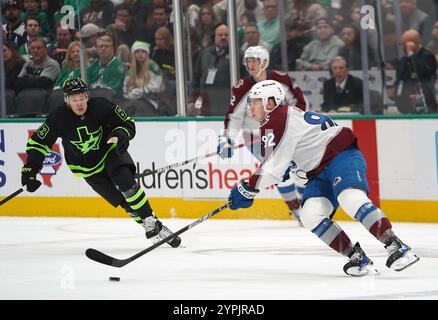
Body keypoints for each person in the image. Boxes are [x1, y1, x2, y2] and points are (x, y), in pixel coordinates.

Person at [227, 79, 420, 276]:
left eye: (255, 101)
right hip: (318, 172)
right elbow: (280, 165)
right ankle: (357, 257)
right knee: (310, 215)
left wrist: (247, 188)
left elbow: (272, 169)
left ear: (269, 103)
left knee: (350, 198)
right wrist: (286, 168)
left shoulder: (276, 117)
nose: (251, 107)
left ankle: (396, 245)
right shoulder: (276, 121)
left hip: (340, 156)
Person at [20, 78, 181, 247]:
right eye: (74, 99)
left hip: (109, 151)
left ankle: (149, 218)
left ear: (87, 96)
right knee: (125, 203)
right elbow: (38, 143)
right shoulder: (58, 118)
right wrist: (31, 168)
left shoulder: (101, 106)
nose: (79, 103)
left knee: (127, 184)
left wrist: (120, 135)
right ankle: (158, 229)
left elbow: (127, 123)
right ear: (67, 100)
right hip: (85, 167)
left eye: (82, 98)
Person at [218, 46, 307, 224]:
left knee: (300, 169)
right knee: (278, 170)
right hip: (255, 137)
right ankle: (296, 209)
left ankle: (307, 204)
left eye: (254, 60)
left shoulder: (282, 79)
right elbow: (233, 117)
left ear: (264, 62)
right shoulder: (242, 87)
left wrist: (297, 126)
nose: (250, 64)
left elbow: (299, 103)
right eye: (248, 61)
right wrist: (226, 139)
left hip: (285, 132)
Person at [390, 29, 437, 114]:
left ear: (412, 43)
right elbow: (400, 79)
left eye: (404, 45)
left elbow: (421, 73)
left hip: (424, 105)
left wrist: (411, 54)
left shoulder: (427, 57)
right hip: (404, 105)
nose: (403, 48)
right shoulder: (404, 60)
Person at [123, 41, 163, 116]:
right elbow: (125, 88)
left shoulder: (152, 66)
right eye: (137, 52)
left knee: (137, 108)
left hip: (151, 102)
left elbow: (156, 86)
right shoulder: (130, 71)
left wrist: (141, 91)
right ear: (133, 54)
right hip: (133, 102)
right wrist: (130, 95)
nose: (140, 54)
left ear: (147, 54)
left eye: (143, 51)